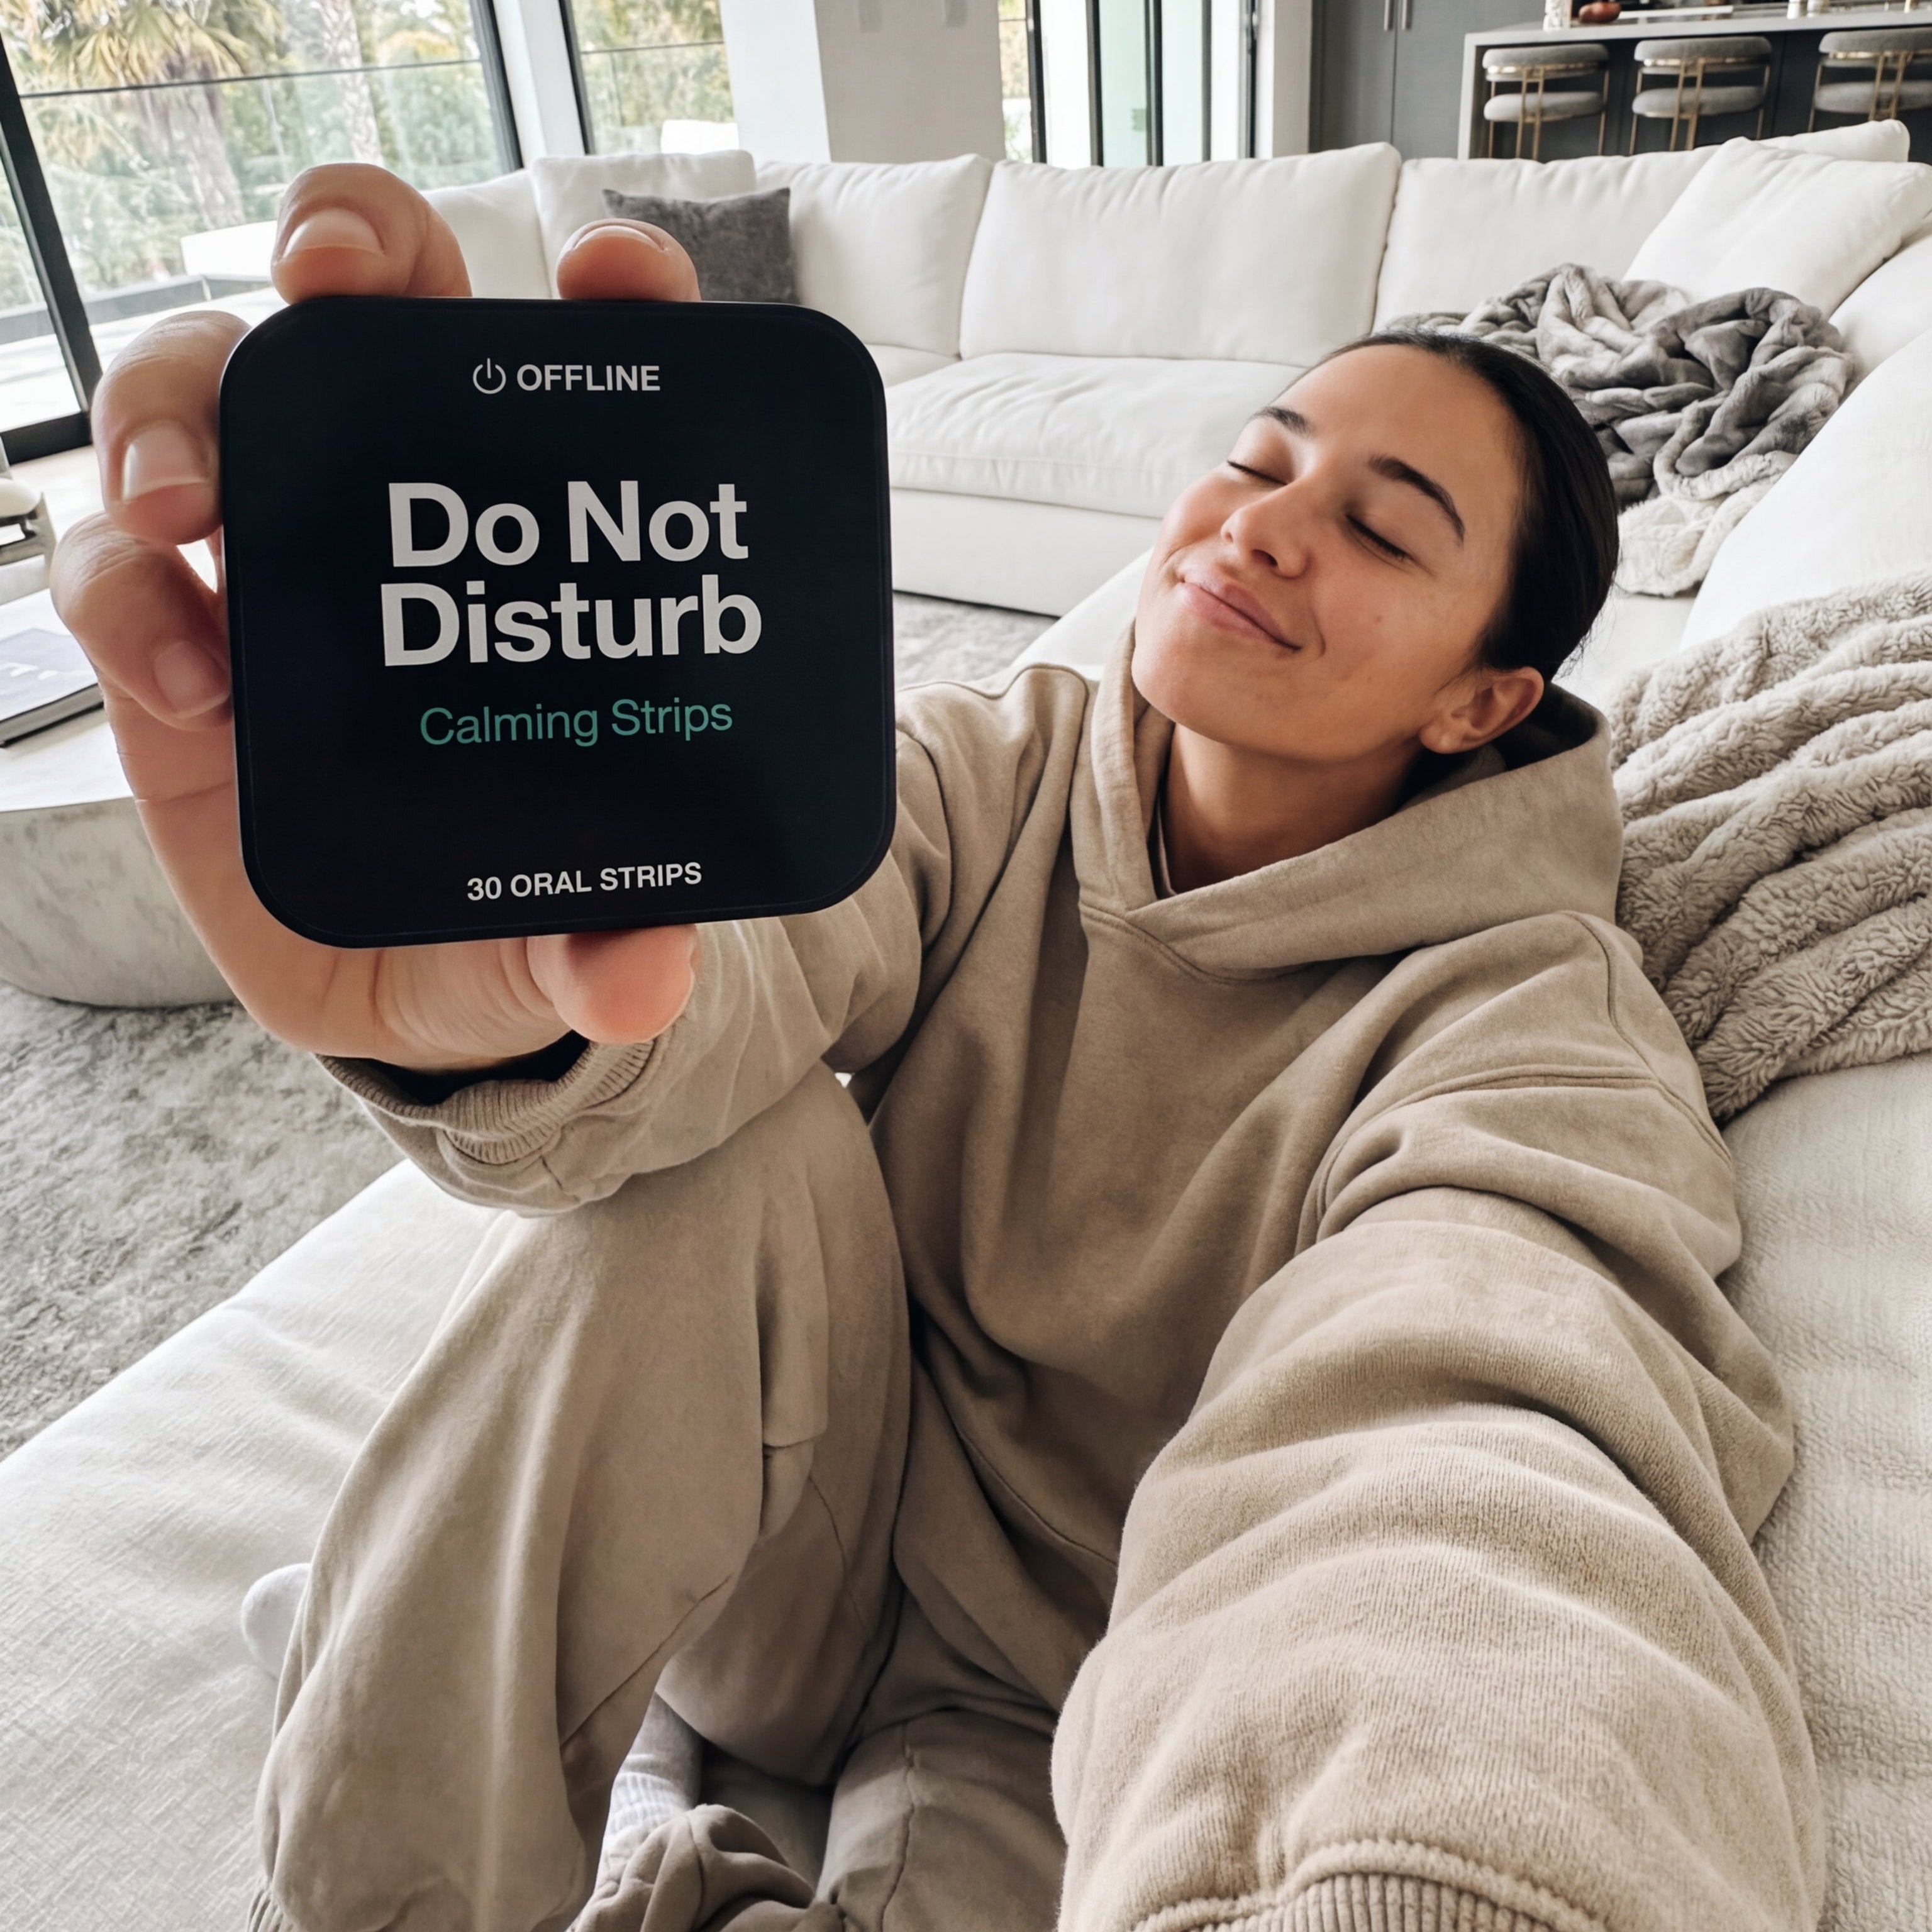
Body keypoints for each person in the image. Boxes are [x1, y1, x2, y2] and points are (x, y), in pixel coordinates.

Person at [55, 164, 1820, 1932]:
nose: (1265, 527)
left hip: (1083, 1690)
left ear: (1482, 700)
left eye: (1383, 528)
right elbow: (765, 946)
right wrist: (515, 991)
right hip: (796, 1549)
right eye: (1265, 458)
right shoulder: (1002, 756)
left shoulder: (1521, 1015)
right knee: (730, 1144)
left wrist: (1434, 1871)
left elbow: (1480, 1412)